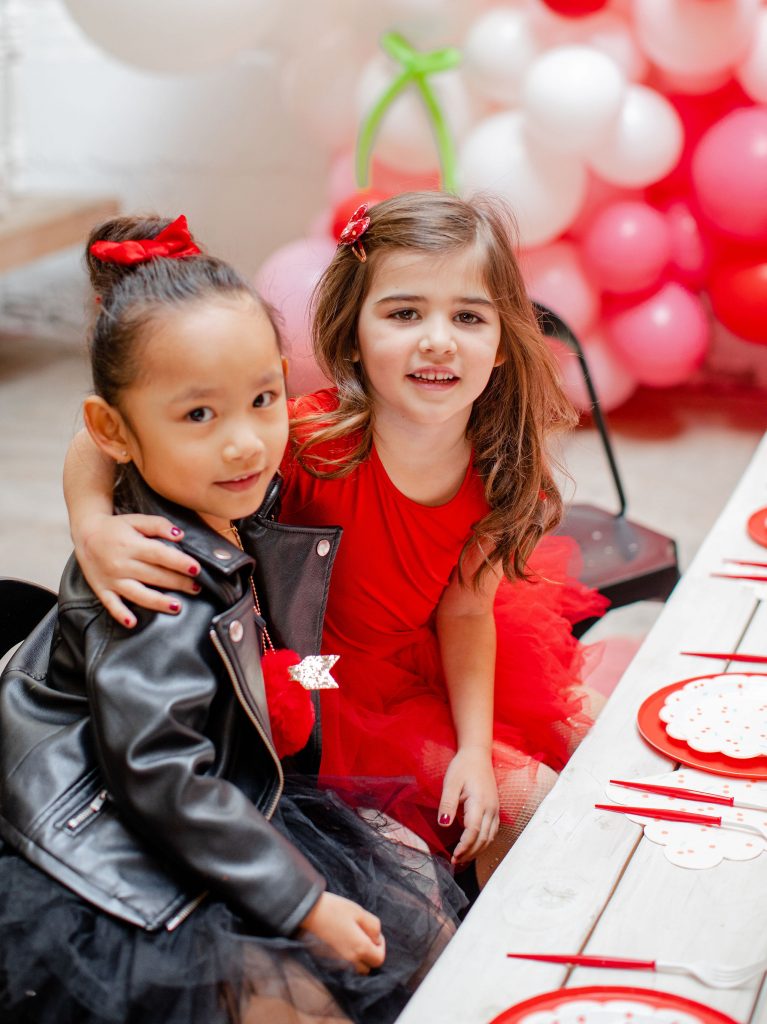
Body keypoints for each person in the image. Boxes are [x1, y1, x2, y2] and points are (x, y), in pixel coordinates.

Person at [62, 194, 611, 886]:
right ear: (352, 333)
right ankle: (489, 935)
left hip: (431, 649)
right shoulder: (307, 439)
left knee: (597, 731)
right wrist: (92, 526)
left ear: (501, 344)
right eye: (404, 312)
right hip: (327, 674)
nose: (437, 339)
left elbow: (466, 612)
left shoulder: (496, 466)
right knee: (524, 798)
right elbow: (97, 437)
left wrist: (474, 747)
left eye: (467, 316)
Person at [0, 215, 464, 1024]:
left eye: (261, 399)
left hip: (211, 759)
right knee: (294, 998)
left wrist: (328, 672)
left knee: (416, 912)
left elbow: (264, 653)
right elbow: (160, 772)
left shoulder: (240, 490)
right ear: (117, 431)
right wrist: (302, 903)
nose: (246, 444)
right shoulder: (158, 587)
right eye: (198, 417)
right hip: (116, 807)